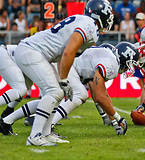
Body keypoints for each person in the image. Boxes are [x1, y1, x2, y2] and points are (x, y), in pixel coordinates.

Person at [10, 0, 114, 146]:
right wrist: (64, 79)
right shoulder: (89, 25)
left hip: (35, 52)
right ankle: (35, 136)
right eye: (108, 13)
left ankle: (46, 133)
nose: (110, 17)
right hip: (31, 51)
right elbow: (68, 52)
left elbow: (62, 55)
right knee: (54, 92)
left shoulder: (84, 22)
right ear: (100, 14)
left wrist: (62, 79)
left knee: (58, 92)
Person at [0, 43, 136, 137]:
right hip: (67, 67)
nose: (129, 68)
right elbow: (100, 96)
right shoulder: (111, 62)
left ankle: (6, 121)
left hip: (66, 66)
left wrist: (111, 119)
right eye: (131, 63)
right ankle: (49, 126)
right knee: (80, 94)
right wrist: (118, 118)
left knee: (52, 100)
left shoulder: (104, 57)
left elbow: (98, 93)